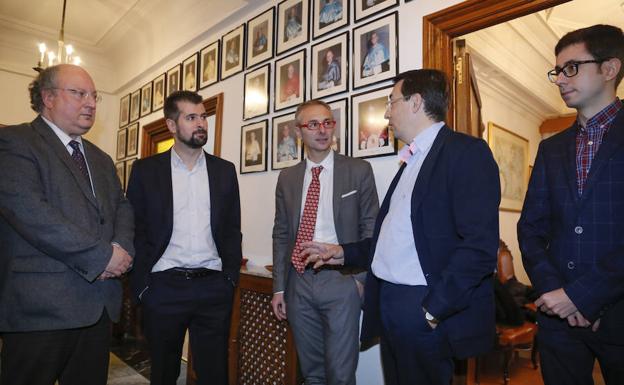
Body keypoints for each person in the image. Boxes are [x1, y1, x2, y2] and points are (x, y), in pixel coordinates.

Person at [302, 69, 501, 385]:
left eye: (391, 101)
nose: (386, 112)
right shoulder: (410, 161)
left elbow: (479, 246)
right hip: (389, 303)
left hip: (423, 306)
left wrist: (433, 311)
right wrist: (341, 253)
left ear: (416, 102)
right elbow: (390, 240)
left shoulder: (465, 152)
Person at [0, 64, 134, 385]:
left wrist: (122, 248)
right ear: (48, 98)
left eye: (94, 96)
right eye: (78, 93)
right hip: (41, 308)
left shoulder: (101, 158)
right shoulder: (14, 141)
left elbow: (122, 207)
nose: (90, 103)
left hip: (98, 306)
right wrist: (102, 257)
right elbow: (31, 213)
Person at [518, 24, 624, 385]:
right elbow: (530, 228)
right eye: (557, 71)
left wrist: (581, 296)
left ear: (609, 69)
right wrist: (556, 294)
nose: (560, 79)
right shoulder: (551, 149)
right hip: (557, 320)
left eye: (572, 68)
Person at [126, 90, 242, 385]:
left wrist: (229, 280)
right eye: (191, 117)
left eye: (203, 116)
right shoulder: (145, 171)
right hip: (163, 288)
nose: (201, 123)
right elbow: (134, 229)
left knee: (214, 374)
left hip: (213, 288)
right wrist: (142, 287)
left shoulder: (224, 171)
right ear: (171, 125)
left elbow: (231, 230)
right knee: (164, 373)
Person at [271, 99, 379, 385]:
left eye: (328, 122)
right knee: (312, 373)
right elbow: (281, 233)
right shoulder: (287, 178)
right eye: (313, 124)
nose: (322, 130)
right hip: (299, 282)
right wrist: (280, 288)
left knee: (341, 375)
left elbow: (372, 228)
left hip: (341, 280)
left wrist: (360, 280)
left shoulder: (358, 170)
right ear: (299, 131)